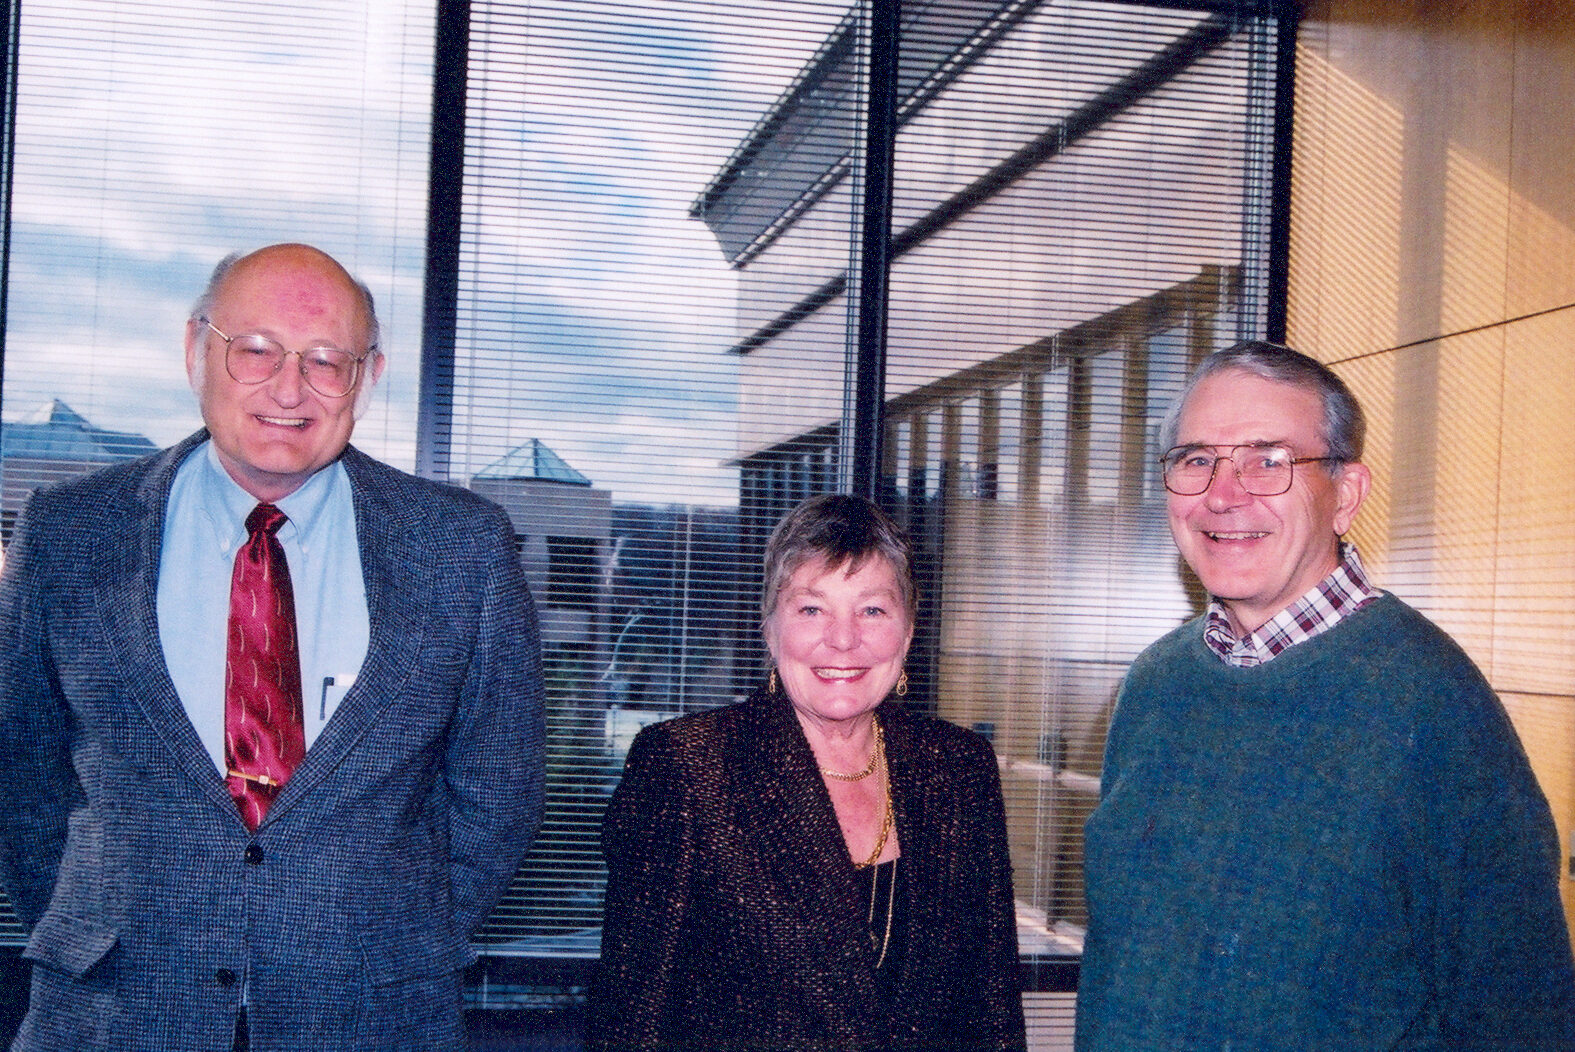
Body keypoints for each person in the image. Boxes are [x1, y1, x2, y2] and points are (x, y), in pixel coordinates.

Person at [0, 243, 546, 1051]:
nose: (289, 389)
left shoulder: (463, 549)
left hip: (369, 1016)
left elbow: (496, 793)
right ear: (195, 349)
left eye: (328, 360)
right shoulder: (68, 532)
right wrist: (104, 924)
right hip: (113, 1013)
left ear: (365, 376)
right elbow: (23, 772)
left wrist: (384, 939)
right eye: (254, 350)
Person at [1075, 342, 1575, 1050]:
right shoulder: (1156, 686)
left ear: (1345, 494)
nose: (1222, 493)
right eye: (1195, 459)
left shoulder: (1432, 705)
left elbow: (1518, 1010)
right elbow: (1121, 965)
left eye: (1267, 459)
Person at [587, 493, 1026, 1051]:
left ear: (909, 632)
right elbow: (633, 1016)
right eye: (812, 608)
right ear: (770, 630)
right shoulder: (686, 768)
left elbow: (993, 1010)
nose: (843, 640)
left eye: (872, 609)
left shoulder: (961, 769)